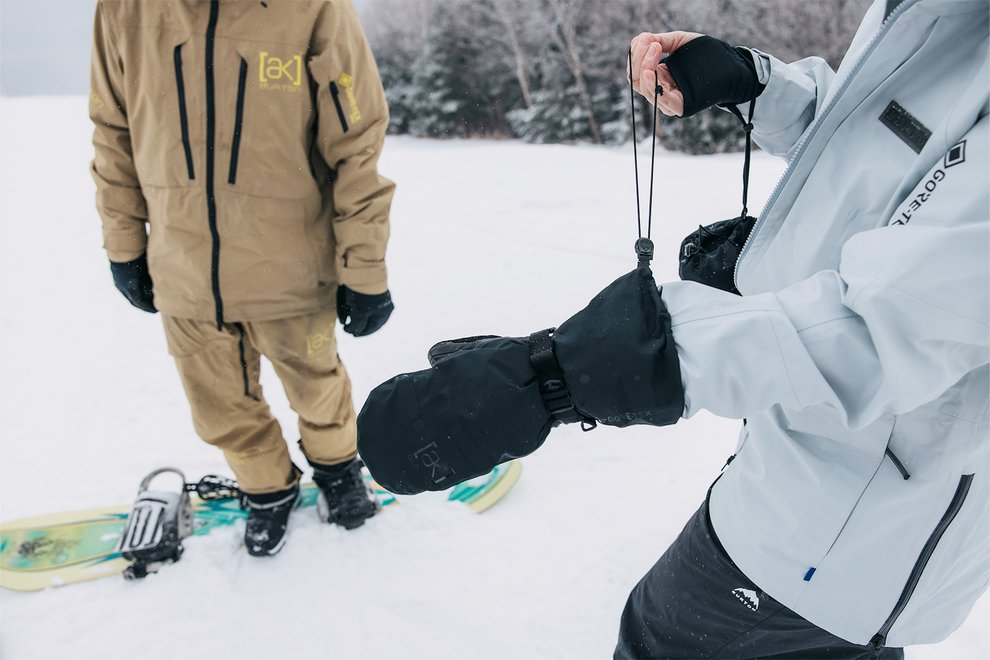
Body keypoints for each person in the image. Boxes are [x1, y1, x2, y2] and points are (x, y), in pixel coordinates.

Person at [356, 0, 988, 657]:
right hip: (817, 465)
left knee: (659, 637)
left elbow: (885, 328)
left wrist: (563, 374)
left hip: (856, 519)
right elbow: (889, 141)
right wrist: (757, 84)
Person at [89, 0, 396, 557]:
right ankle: (267, 491)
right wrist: (125, 244)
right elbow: (114, 131)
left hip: (291, 262)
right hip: (182, 265)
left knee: (318, 389)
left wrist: (365, 268)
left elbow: (357, 142)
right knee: (217, 404)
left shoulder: (314, 8)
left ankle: (337, 470)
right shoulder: (123, 9)